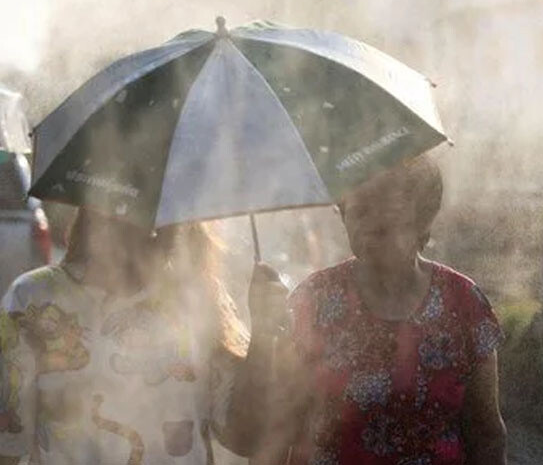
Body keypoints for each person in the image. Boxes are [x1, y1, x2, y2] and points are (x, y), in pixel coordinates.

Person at [245, 156, 508, 465]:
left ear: (421, 219)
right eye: (358, 210)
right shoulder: (313, 301)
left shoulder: (463, 303)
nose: (370, 224)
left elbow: (486, 435)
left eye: (387, 209)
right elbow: (277, 433)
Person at [0, 209, 252, 464]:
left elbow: (244, 437)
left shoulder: (196, 299)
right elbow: (7, 444)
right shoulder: (33, 297)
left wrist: (264, 336)